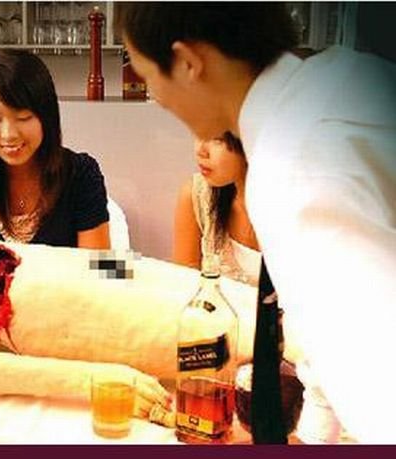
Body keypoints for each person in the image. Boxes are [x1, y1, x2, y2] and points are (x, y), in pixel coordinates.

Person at [120, 3, 396, 443]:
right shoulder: (338, 82)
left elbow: (378, 377)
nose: (155, 96)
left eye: (146, 75)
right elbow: (336, 328)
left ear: (188, 63)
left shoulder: (293, 162)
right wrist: (310, 437)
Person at [0, 50, 110, 249]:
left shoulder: (80, 174)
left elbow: (101, 262)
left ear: (46, 117)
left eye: (23, 118)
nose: (8, 134)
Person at [173, 132, 260, 285]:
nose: (201, 151)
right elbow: (183, 285)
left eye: (218, 139)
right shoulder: (199, 195)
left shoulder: (301, 209)